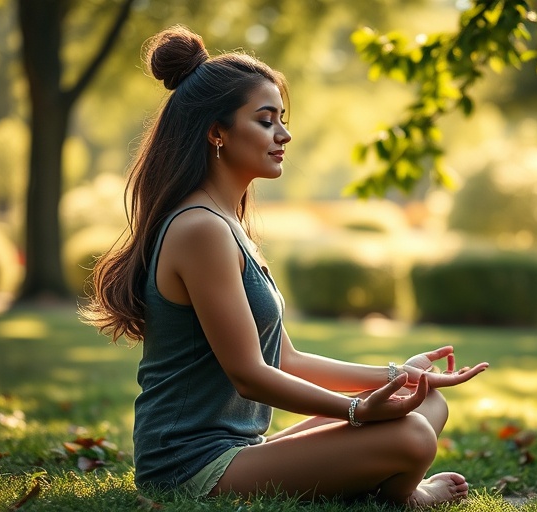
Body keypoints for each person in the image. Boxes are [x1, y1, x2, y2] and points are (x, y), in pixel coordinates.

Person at [82, 24, 489, 508]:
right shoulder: (199, 229)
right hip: (188, 472)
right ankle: (400, 496)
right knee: (413, 437)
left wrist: (398, 375)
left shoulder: (226, 223)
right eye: (266, 120)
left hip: (241, 453)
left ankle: (378, 480)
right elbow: (250, 375)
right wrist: (357, 412)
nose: (284, 134)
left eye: (282, 119)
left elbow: (284, 360)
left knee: (427, 403)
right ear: (217, 131)